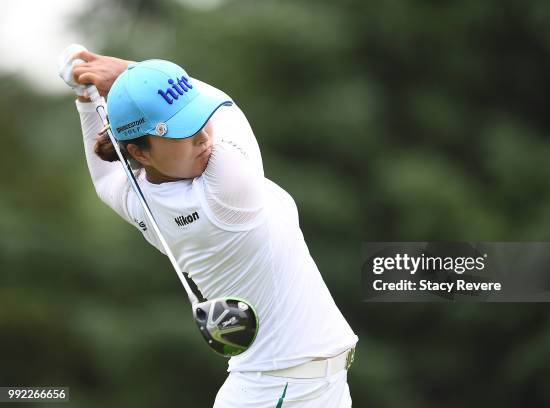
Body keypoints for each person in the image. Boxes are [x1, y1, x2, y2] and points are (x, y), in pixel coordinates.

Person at [59, 48, 358, 407]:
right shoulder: (227, 189)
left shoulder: (136, 199)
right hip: (284, 392)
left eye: (201, 120)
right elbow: (227, 104)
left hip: (296, 387)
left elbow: (105, 173)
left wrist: (86, 99)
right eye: (183, 131)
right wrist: (128, 72)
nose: (202, 137)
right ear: (140, 153)